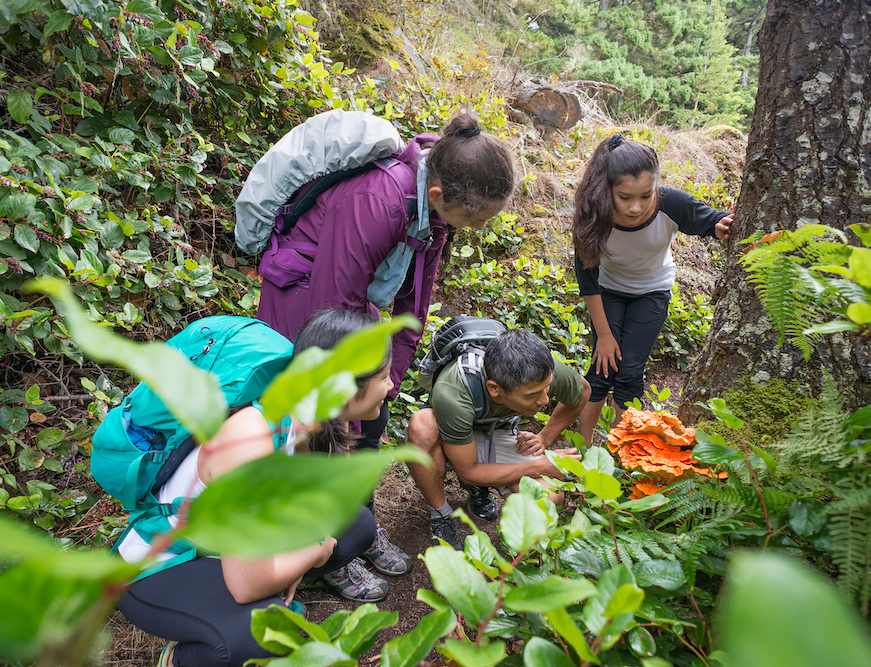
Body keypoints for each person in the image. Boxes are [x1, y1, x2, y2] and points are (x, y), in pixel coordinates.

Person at [253, 112, 516, 567]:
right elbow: (331, 307)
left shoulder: (433, 209)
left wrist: (388, 378)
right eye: (475, 220)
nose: (477, 229)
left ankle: (359, 530)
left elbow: (415, 303)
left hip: (353, 301)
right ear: (438, 195)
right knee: (320, 428)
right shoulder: (378, 201)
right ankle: (326, 556)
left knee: (374, 417)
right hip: (304, 298)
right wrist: (348, 400)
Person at [118, 310, 395, 667]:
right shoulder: (251, 439)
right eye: (384, 376)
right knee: (264, 634)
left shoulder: (306, 420)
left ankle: (242, 603)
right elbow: (246, 584)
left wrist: (295, 557)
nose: (390, 386)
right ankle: (180, 658)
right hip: (161, 565)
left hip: (217, 551)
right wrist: (312, 553)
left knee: (355, 525)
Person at [571, 134, 735, 446]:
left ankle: (623, 453)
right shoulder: (592, 215)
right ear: (607, 189)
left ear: (656, 186)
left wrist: (722, 226)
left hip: (652, 291)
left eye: (646, 195)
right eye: (625, 197)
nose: (636, 207)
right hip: (608, 292)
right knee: (602, 369)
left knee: (629, 373)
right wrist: (604, 337)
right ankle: (583, 448)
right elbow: (588, 282)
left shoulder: (671, 203)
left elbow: (711, 221)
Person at [405, 329, 591, 550]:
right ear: (494, 388)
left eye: (546, 388)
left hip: (498, 430)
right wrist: (539, 466)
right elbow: (469, 471)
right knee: (421, 426)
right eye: (532, 395)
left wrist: (544, 437)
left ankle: (485, 501)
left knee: (550, 497)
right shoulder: (453, 391)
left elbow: (582, 392)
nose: (544, 400)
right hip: (451, 433)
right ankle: (441, 514)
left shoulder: (539, 369)